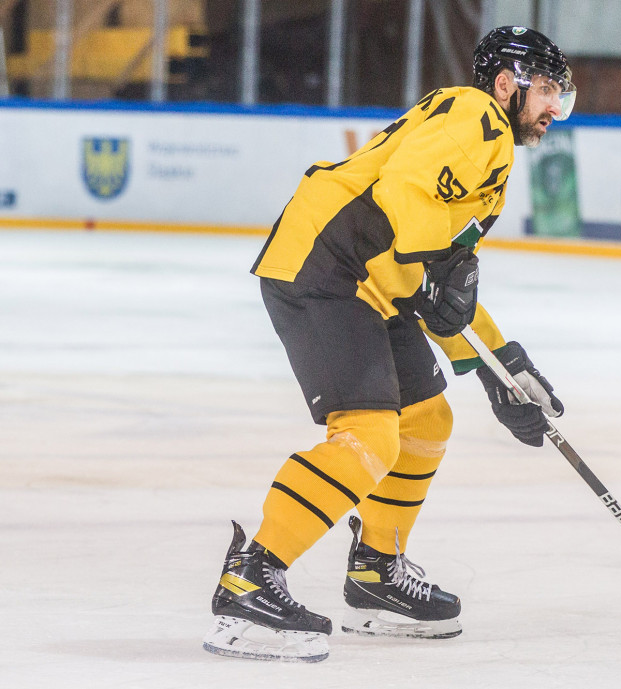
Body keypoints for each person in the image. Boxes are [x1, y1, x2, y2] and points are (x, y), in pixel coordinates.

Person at [201, 26, 575, 663]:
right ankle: (252, 575)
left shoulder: (492, 154)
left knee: (426, 419)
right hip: (326, 268)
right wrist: (441, 271)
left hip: (375, 284)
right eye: (545, 90)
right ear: (505, 84)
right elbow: (406, 191)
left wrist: (499, 366)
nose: (553, 108)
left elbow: (438, 287)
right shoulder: (476, 114)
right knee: (369, 437)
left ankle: (376, 569)